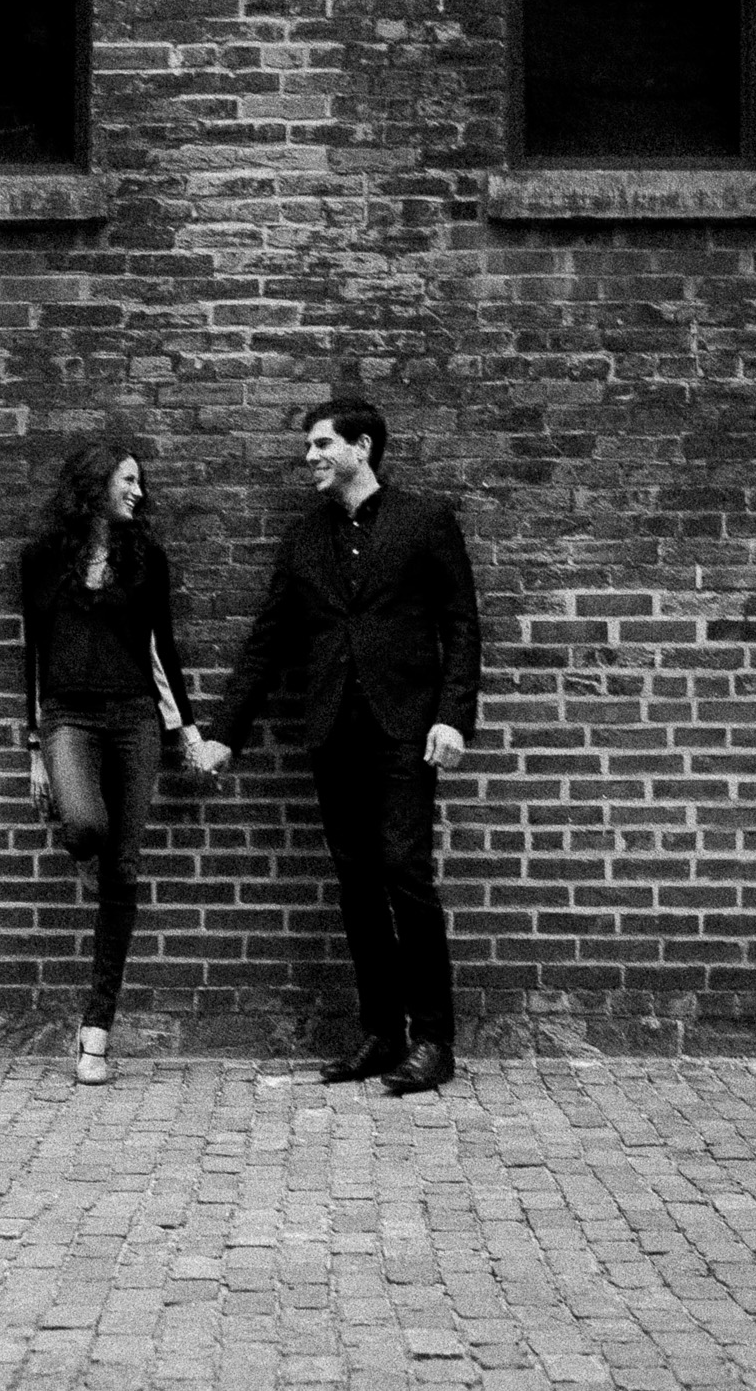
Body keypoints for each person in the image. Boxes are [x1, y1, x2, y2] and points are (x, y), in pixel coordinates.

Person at [196, 398, 480, 1096]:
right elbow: (267, 643)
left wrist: (453, 717)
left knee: (405, 873)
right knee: (356, 883)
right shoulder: (303, 539)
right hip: (333, 733)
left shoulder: (424, 521)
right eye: (309, 446)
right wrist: (225, 732)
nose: (311, 457)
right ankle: (382, 1033)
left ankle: (434, 1040)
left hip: (406, 731)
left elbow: (462, 625)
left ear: (363, 445)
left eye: (323, 444)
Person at [20, 441, 217, 1086]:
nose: (138, 491)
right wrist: (35, 753)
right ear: (95, 482)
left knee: (123, 871)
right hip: (68, 718)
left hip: (135, 720)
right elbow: (34, 659)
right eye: (128, 480)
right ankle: (84, 836)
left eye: (141, 482)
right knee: (85, 829)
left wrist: (186, 733)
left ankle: (96, 1029)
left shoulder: (146, 560)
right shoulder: (43, 559)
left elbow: (165, 650)